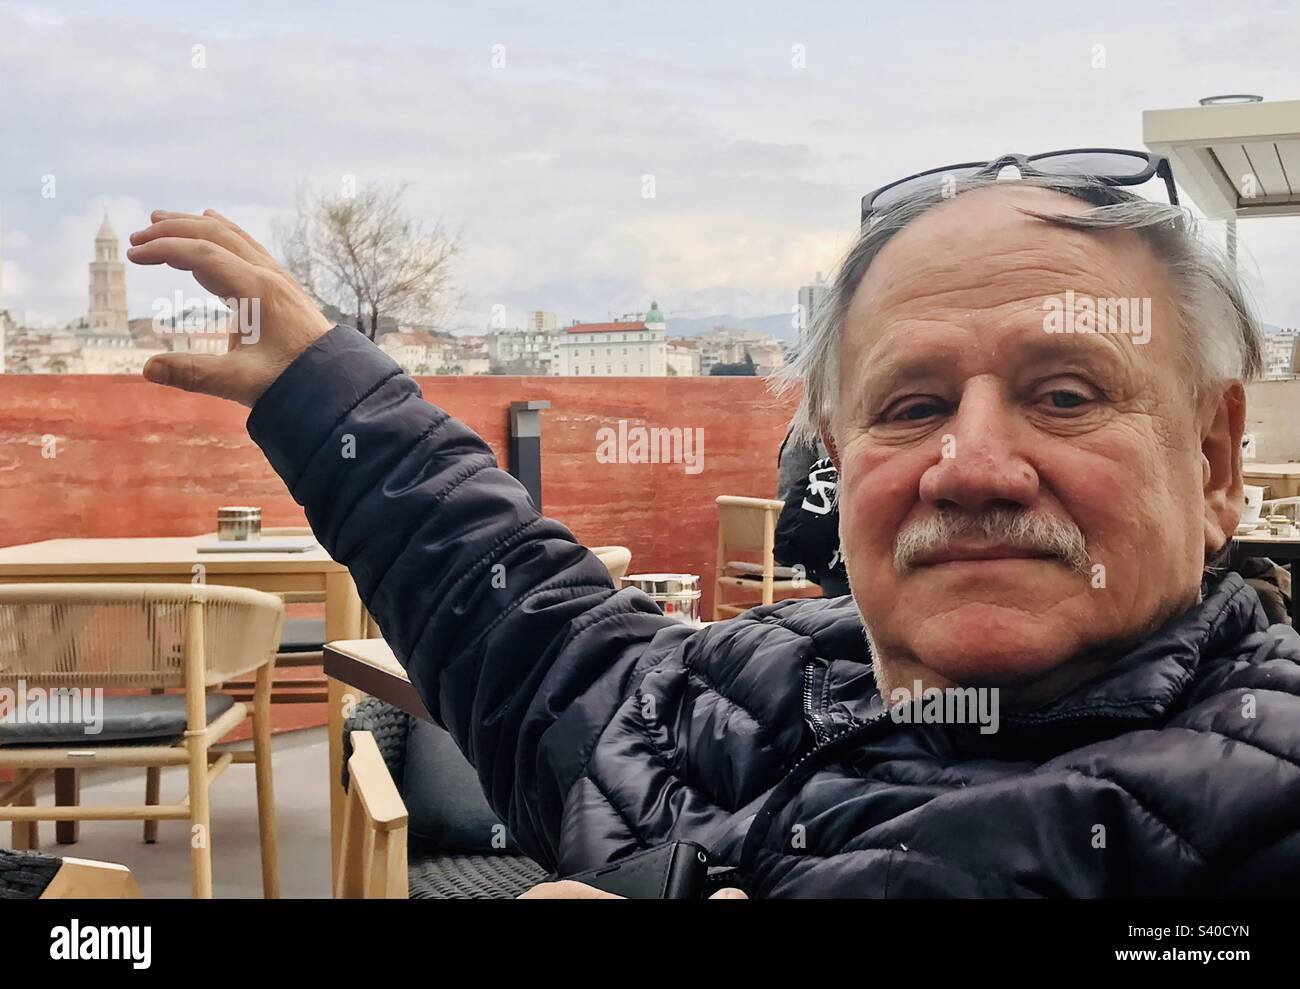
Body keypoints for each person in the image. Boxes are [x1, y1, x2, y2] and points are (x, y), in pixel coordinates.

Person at [127, 161, 1300, 896]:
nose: (973, 466)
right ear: (841, 465)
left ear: (1209, 460)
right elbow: (539, 638)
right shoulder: (769, 685)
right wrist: (327, 395)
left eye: (1063, 393)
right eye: (913, 406)